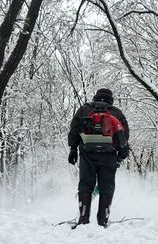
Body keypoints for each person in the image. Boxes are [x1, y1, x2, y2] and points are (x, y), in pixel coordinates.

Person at [68, 88, 130, 227]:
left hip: (87, 153)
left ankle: (83, 218)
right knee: (106, 187)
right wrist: (120, 154)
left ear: (95, 97)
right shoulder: (117, 112)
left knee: (85, 184)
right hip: (108, 155)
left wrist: (73, 149)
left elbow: (74, 129)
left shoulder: (84, 109)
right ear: (111, 100)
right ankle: (103, 221)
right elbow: (124, 135)